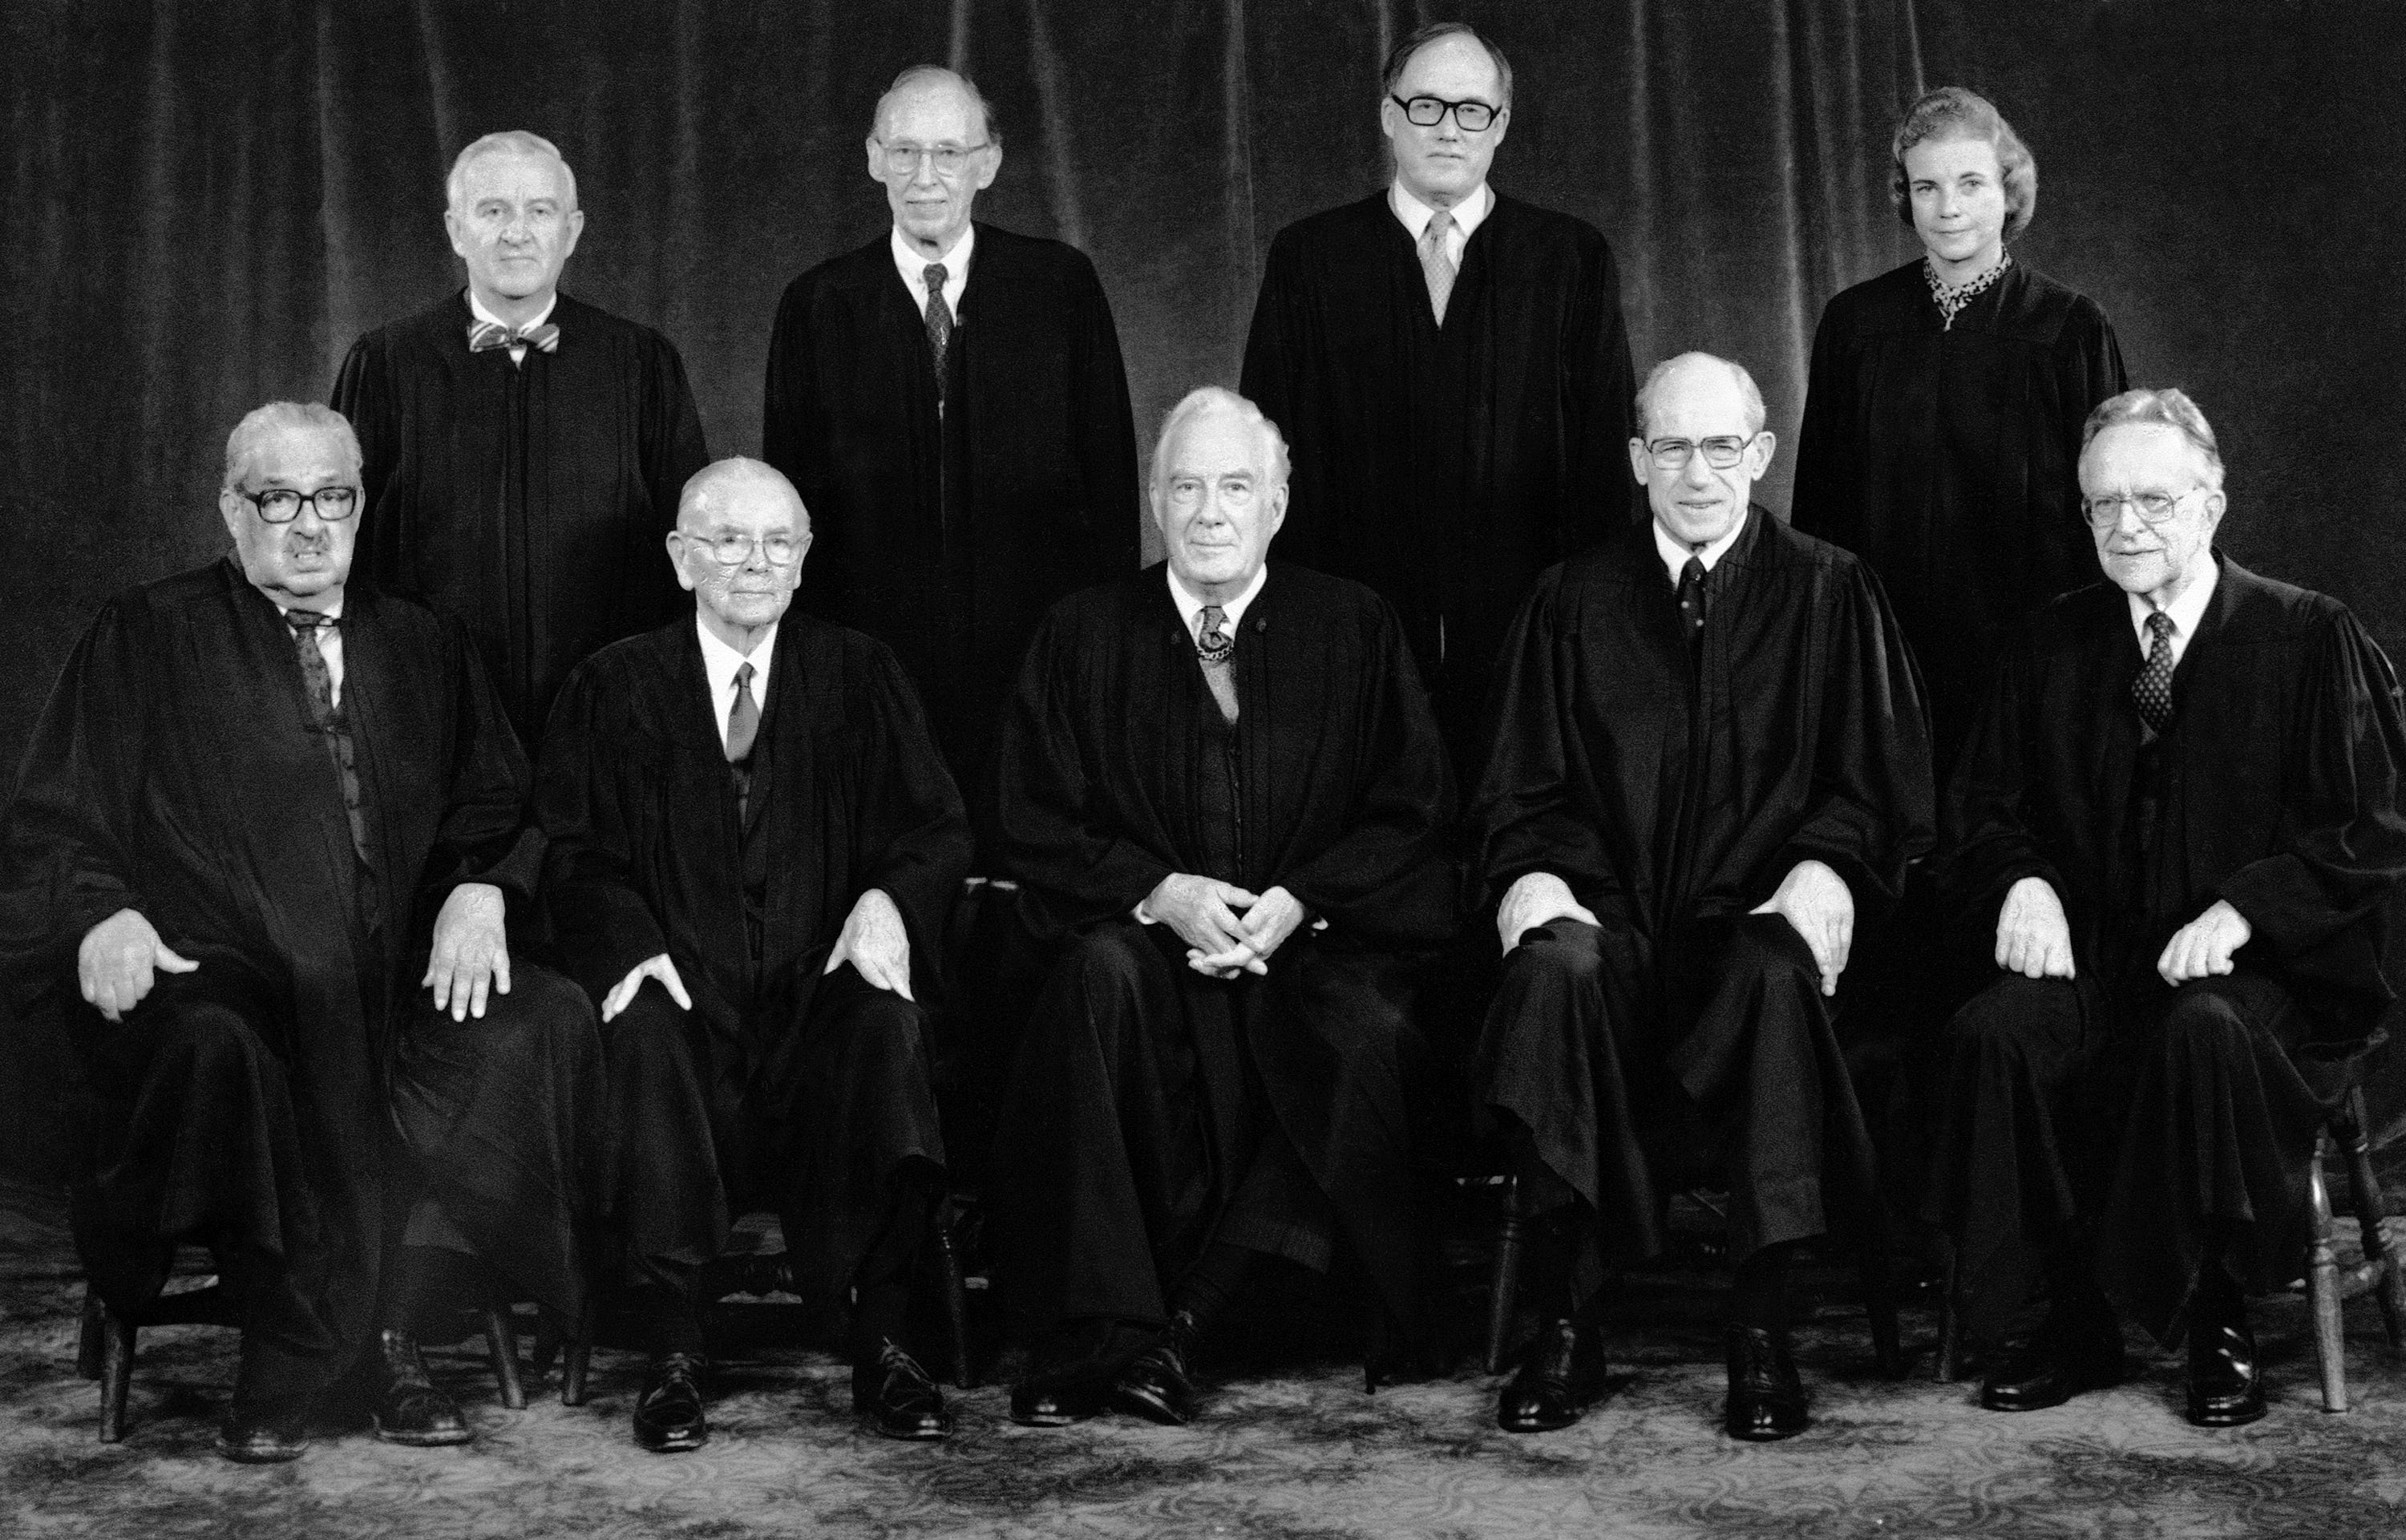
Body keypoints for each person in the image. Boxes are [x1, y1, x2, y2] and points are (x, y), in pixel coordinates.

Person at [0, 403, 600, 1463]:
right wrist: (105, 913)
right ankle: (303, 1346)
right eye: (279, 498)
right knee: (227, 1045)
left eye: (335, 497)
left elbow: (502, 808)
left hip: (396, 972)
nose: (310, 524)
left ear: (361, 506)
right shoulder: (147, 634)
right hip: (230, 971)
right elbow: (59, 817)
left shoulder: (424, 643)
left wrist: (485, 889)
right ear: (232, 510)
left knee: (536, 1020)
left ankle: (409, 1309)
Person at [1468, 354, 1934, 1440]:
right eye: (1670, 446)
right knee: (1551, 969)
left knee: (1773, 971)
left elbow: (1879, 786)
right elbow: (1517, 788)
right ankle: (1566, 1321)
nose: (1696, 471)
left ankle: (1760, 1328)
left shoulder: (1830, 589)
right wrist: (1539, 879)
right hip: (1616, 928)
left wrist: (1824, 864)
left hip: (1754, 928)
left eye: (1721, 445)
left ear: (1761, 455)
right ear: (1637, 460)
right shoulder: (1571, 597)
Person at [1925, 389, 2406, 1428]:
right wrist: (2023, 881)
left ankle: (2213, 1314)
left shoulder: (2306, 635)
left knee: (2199, 1031)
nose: (2126, 525)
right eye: (2103, 505)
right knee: (1998, 1031)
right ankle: (2065, 1318)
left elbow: (2370, 826)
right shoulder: (2051, 642)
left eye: (2154, 499)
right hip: (2103, 954)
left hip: (2260, 979)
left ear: (2212, 506)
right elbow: (1981, 808)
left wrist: (2244, 910)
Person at [986, 387, 1456, 1429]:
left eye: (1234, 486)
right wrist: (1158, 892)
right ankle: (1100, 1327)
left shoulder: (1354, 624)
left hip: (1318, 938)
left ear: (1276, 504)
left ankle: (1188, 1323)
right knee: (1090, 983)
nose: (1210, 510)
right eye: (1187, 485)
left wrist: (1303, 899)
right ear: (1154, 501)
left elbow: (1414, 809)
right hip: (1154, 941)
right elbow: (1031, 815)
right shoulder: (1081, 633)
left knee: (1368, 1034)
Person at [535, 458, 973, 1450]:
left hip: (817, 1007)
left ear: (806, 560)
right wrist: (630, 946)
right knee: (637, 1029)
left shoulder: (861, 673)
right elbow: (571, 846)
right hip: (689, 1008)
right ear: (681, 558)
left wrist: (886, 903)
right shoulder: (615, 684)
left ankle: (887, 1342)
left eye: (779, 542)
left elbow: (937, 828)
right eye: (728, 541)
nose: (755, 562)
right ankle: (676, 1349)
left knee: (887, 1026)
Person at [1239, 21, 1636, 785]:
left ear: (1501, 125)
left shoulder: (1569, 260)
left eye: (1471, 109)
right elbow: (1269, 459)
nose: (1448, 129)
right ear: (1388, 115)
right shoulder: (1311, 258)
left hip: (1526, 634)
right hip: (1356, 631)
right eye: (1424, 105)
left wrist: (1586, 629)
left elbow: (1602, 466)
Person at [763, 65, 1139, 814]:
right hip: (873, 669)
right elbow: (790, 510)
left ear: (988, 163)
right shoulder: (817, 304)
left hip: (1031, 664)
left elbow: (1110, 483)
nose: (925, 176)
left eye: (948, 153)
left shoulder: (1058, 287)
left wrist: (1099, 651)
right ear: (873, 158)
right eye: (904, 152)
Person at [1792, 86, 2125, 779]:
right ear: (1904, 197)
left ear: (2008, 192)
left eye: (1970, 183)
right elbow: (1820, 507)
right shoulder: (1856, 325)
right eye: (1926, 187)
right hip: (1884, 654)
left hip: (2030, 650)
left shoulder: (2067, 328)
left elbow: (2111, 506)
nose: (1947, 208)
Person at [333, 130, 710, 743]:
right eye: (493, 211)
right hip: (432, 716)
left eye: (540, 211)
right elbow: (345, 541)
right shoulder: (387, 362)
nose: (518, 232)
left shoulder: (639, 361)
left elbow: (692, 545)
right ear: (456, 230)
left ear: (573, 229)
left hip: (612, 715)